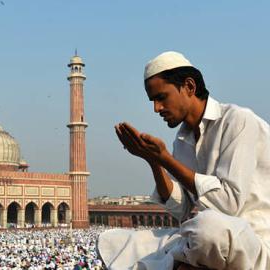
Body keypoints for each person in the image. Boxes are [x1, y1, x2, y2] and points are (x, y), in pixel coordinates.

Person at [97, 51, 270, 270]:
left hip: (252, 238)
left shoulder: (237, 121)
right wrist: (154, 161)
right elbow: (183, 209)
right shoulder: (182, 140)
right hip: (208, 238)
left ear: (189, 87)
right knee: (114, 241)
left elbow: (228, 204)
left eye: (161, 97)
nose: (156, 108)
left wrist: (166, 159)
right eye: (153, 101)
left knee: (207, 227)